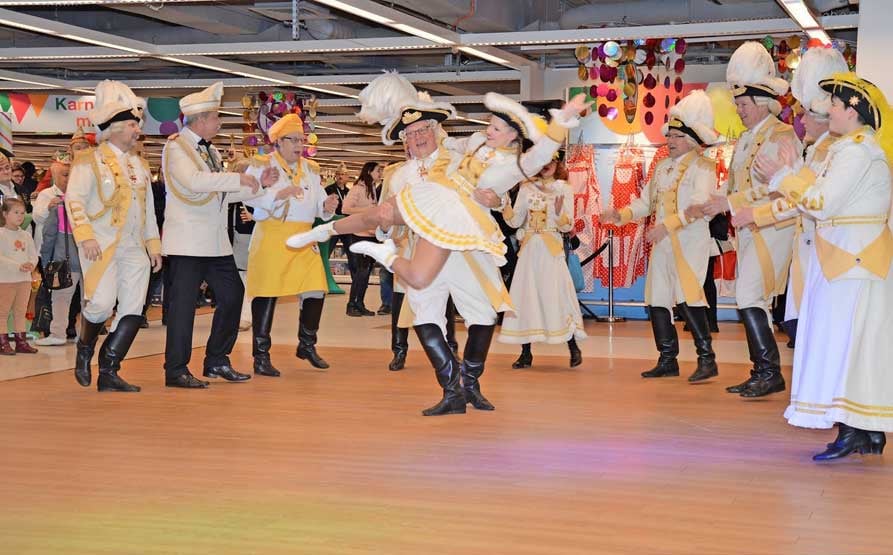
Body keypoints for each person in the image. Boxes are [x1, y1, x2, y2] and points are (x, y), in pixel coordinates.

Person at [289, 73, 587, 415]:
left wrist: (499, 198)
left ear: (435, 131)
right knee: (425, 317)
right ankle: (451, 389)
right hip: (421, 250)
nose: (417, 138)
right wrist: (385, 233)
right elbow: (385, 219)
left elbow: (507, 176)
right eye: (410, 134)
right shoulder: (397, 176)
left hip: (464, 251)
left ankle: (470, 383)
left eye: (423, 131)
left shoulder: (458, 156)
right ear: (403, 141)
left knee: (483, 316)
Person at [754, 72, 893, 460]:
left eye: (834, 103)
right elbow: (820, 195)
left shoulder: (857, 152)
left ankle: (854, 429)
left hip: (853, 261)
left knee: (845, 344)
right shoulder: (850, 149)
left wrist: (782, 176)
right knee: (855, 346)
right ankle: (865, 430)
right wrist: (792, 175)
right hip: (849, 259)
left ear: (853, 111)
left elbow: (822, 204)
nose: (828, 109)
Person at [701, 41, 800, 398]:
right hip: (746, 228)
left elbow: (779, 189)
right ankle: (762, 370)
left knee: (748, 295)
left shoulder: (782, 136)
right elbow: (738, 183)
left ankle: (769, 372)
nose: (738, 110)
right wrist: (720, 201)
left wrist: (728, 202)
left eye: (743, 104)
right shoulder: (746, 139)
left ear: (760, 102)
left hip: (771, 227)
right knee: (750, 298)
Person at [160, 82, 276, 389]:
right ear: (200, 120)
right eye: (216, 118)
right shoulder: (176, 147)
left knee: (233, 295)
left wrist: (258, 184)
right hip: (187, 242)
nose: (219, 123)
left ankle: (217, 360)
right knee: (183, 308)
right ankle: (176, 369)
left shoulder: (209, 150)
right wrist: (237, 177)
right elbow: (195, 182)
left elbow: (220, 194)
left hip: (215, 242)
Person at [604, 90, 721, 382]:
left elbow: (700, 207)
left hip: (690, 242)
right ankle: (667, 359)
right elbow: (646, 202)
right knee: (656, 298)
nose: (670, 140)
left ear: (692, 139)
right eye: (669, 135)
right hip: (662, 242)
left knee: (688, 296)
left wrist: (666, 226)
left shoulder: (704, 167)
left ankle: (707, 359)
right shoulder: (662, 167)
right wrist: (621, 215)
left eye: (677, 136)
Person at [65, 80, 161, 392]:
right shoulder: (88, 161)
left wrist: (153, 244)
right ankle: (84, 348)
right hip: (101, 245)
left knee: (134, 307)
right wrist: (85, 236)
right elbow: (74, 200)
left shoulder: (140, 164)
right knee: (101, 304)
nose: (138, 130)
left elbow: (147, 209)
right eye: (133, 125)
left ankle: (109, 369)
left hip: (134, 247)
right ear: (116, 128)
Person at [243, 113, 338, 376]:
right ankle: (261, 356)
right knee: (267, 293)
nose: (299, 145)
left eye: (301, 139)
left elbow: (318, 204)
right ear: (278, 142)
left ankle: (307, 344)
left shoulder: (310, 169)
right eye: (293, 140)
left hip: (304, 238)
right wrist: (277, 194)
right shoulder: (262, 165)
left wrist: (327, 206)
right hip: (272, 235)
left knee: (316, 288)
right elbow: (248, 197)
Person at [499, 156, 585, 368]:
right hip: (529, 251)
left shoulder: (564, 188)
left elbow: (568, 226)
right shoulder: (526, 187)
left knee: (558, 296)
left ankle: (573, 346)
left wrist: (559, 213)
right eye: (542, 161)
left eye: (551, 161)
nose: (546, 165)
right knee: (525, 298)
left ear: (557, 164)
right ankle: (525, 353)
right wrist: (504, 204)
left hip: (551, 251)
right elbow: (515, 221)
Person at [35, 153, 80, 347]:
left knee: (63, 298)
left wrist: (46, 260)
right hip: (79, 259)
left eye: (70, 174)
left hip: (65, 259)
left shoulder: (61, 204)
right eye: (65, 174)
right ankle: (77, 335)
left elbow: (49, 235)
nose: (68, 179)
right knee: (78, 299)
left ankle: (61, 334)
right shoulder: (49, 197)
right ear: (54, 176)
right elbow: (39, 219)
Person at [342, 161, 382, 316]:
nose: (380, 174)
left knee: (366, 271)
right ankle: (351, 304)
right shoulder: (357, 189)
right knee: (361, 272)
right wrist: (367, 210)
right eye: (378, 171)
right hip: (359, 235)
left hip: (371, 234)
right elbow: (345, 208)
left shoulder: (372, 188)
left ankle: (360, 303)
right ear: (369, 172)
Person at [0, 198, 38, 355]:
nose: (20, 216)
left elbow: (33, 255)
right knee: (2, 312)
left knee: (20, 312)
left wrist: (31, 264)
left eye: (22, 213)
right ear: (5, 214)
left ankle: (21, 342)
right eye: (16, 212)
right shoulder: (1, 234)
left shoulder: (26, 235)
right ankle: (3, 343)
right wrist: (18, 266)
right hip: (5, 279)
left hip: (24, 280)